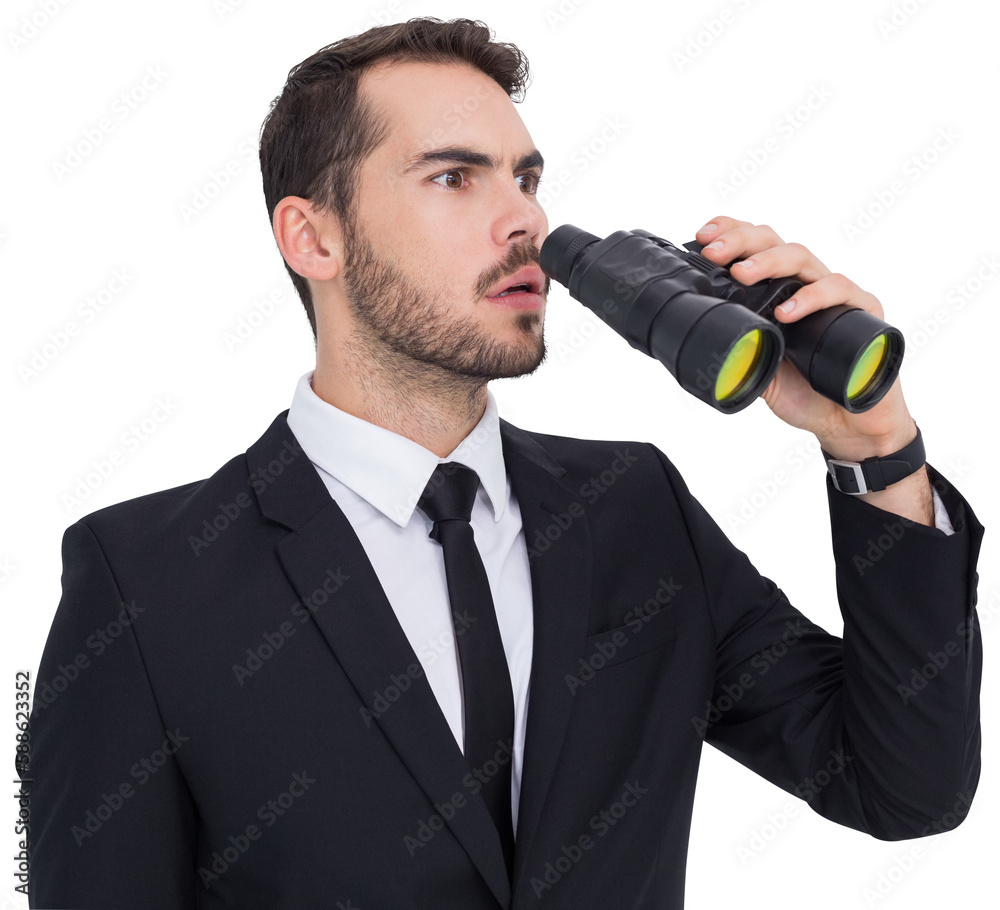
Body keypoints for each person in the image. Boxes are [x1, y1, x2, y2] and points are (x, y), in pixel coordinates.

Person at [24, 17, 984, 910]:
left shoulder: (632, 510)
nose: (522, 218)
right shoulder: (144, 579)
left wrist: (872, 449)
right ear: (312, 236)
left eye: (525, 177)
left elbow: (901, 786)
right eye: (454, 177)